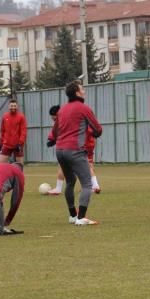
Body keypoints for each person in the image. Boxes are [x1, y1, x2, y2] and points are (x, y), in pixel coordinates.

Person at [51, 81, 102, 225]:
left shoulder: (62, 110)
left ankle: (73, 215)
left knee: (70, 182)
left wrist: (51, 139)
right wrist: (96, 133)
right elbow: (97, 129)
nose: (84, 91)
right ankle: (81, 218)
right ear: (77, 93)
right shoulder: (83, 108)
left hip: (60, 150)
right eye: (82, 89)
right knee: (87, 184)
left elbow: (55, 132)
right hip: (75, 150)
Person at [0, 98, 27, 164]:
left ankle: (19, 174)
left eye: (14, 106)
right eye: (11, 106)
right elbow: (2, 130)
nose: (13, 107)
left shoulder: (21, 117)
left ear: (17, 107)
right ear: (9, 106)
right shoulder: (5, 116)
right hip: (6, 145)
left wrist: (20, 143)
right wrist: (1, 142)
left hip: (17, 145)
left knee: (19, 166)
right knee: (0, 165)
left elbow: (23, 131)